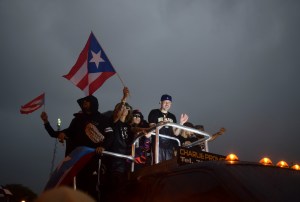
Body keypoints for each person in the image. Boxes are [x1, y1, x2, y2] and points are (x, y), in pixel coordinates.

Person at [148, 94, 189, 162]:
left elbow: (176, 133)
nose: (167, 104)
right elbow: (152, 128)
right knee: (157, 166)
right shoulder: (154, 112)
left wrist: (181, 124)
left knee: (168, 168)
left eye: (169, 102)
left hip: (169, 146)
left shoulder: (172, 116)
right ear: (160, 102)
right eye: (165, 102)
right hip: (157, 144)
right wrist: (162, 123)